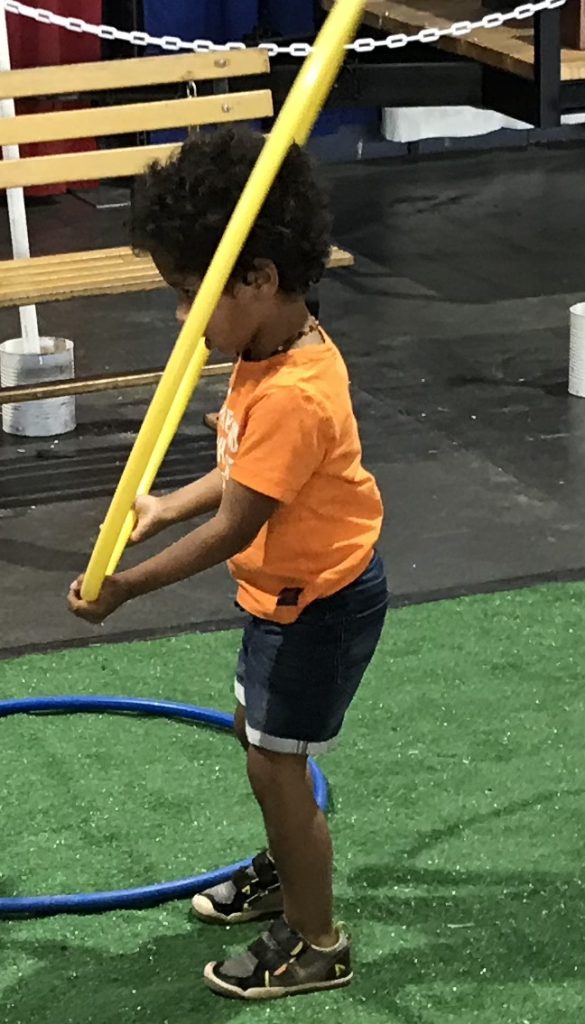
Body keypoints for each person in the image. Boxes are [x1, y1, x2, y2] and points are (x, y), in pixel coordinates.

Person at [68, 127, 387, 1001]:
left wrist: (126, 589)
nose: (179, 319)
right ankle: (287, 868)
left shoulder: (292, 393)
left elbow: (238, 525)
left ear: (257, 280)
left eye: (187, 295)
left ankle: (317, 938)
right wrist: (167, 501)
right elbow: (241, 469)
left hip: (317, 604)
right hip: (283, 597)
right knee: (257, 738)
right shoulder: (266, 351)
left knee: (275, 767)